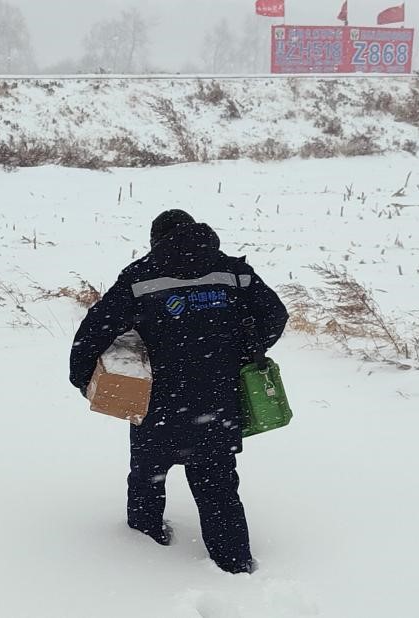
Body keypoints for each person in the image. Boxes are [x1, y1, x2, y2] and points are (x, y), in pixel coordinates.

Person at [69, 209, 288, 574]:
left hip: (159, 401)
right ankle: (233, 562)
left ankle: (145, 534)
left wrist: (81, 377)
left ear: (157, 240)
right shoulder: (233, 271)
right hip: (217, 399)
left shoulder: (140, 276)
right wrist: (245, 348)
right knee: (217, 482)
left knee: (147, 472)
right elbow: (275, 315)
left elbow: (95, 330)